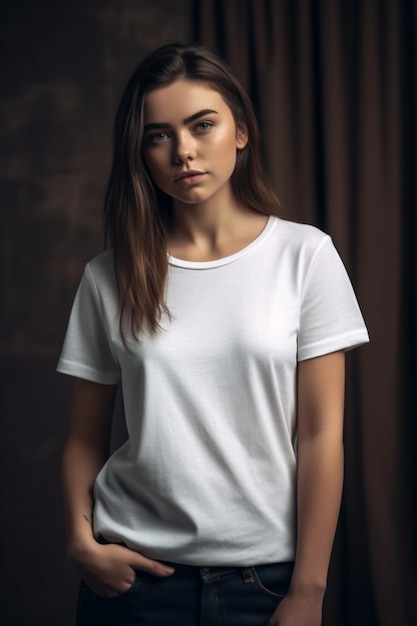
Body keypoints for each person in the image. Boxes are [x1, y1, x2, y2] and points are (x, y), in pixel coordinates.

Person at [58, 43, 369, 626]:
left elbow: (323, 434)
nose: (184, 151)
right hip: (135, 582)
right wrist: (80, 542)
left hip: (268, 582)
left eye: (203, 125)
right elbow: (83, 438)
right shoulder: (110, 275)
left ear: (241, 133)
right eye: (158, 135)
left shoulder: (305, 256)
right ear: (141, 153)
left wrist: (309, 589)